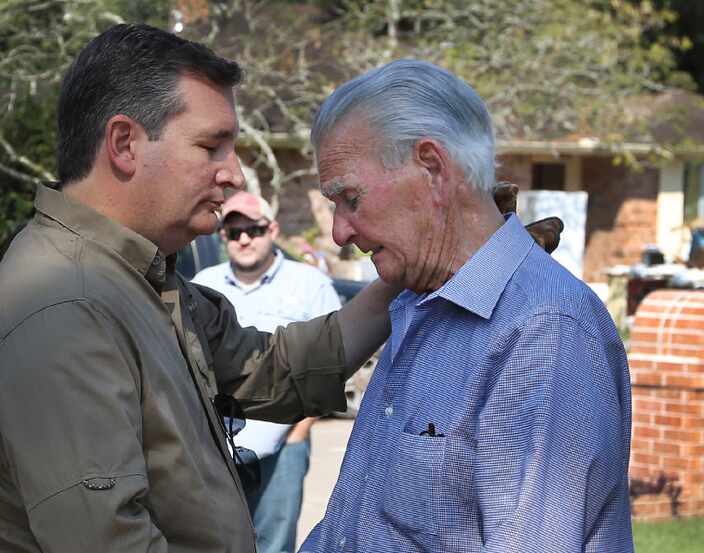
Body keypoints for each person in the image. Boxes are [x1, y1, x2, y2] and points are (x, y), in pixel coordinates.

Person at [0, 24, 398, 553]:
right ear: (124, 144)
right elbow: (107, 543)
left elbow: (272, 370)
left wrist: (404, 275)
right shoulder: (66, 303)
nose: (233, 175)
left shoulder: (138, 277)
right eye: (212, 146)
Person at [300, 60, 633, 552]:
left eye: (350, 198)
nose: (339, 233)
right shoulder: (420, 301)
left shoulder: (543, 333)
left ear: (432, 168)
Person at [192, 191, 342, 553]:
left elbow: (332, 363)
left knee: (273, 544)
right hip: (214, 450)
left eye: (254, 229)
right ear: (223, 237)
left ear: (272, 229)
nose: (244, 238)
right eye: (234, 231)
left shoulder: (309, 283)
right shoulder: (203, 284)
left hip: (283, 446)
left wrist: (300, 429)